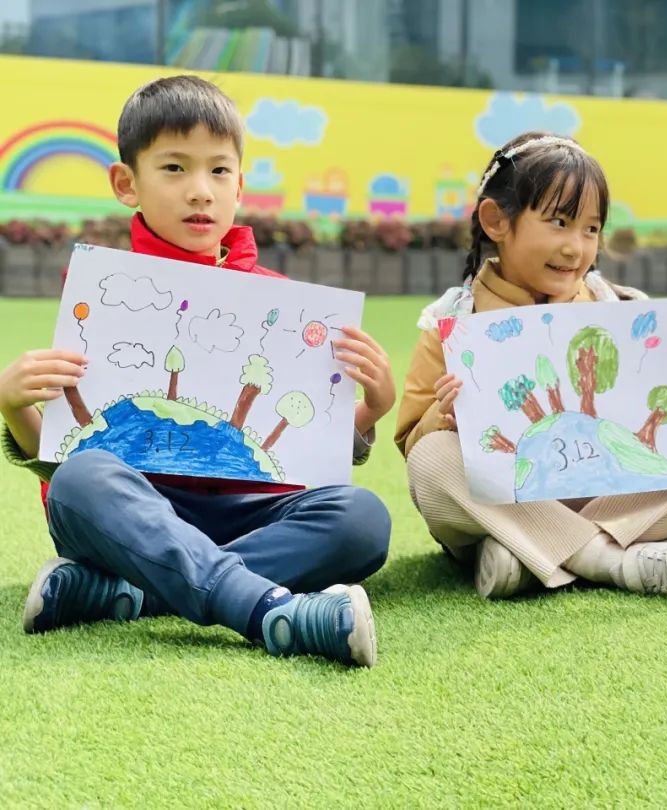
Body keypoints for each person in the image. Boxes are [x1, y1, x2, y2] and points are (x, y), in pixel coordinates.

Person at [0, 76, 395, 667]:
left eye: (218, 170)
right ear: (126, 184)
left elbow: (302, 451)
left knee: (361, 520)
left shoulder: (282, 304)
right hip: (133, 514)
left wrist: (370, 410)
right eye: (174, 168)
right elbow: (64, 455)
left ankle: (136, 593)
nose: (200, 192)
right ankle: (270, 611)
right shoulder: (101, 295)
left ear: (240, 183)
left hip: (247, 512)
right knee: (80, 481)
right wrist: (12, 405)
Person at [395, 131, 667, 600]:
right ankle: (610, 561)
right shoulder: (452, 321)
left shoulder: (622, 309)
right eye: (559, 222)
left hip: (606, 495)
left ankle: (527, 554)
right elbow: (412, 441)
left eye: (590, 229)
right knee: (432, 460)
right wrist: (444, 417)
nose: (576, 247)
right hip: (503, 497)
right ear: (496, 221)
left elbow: (656, 431)